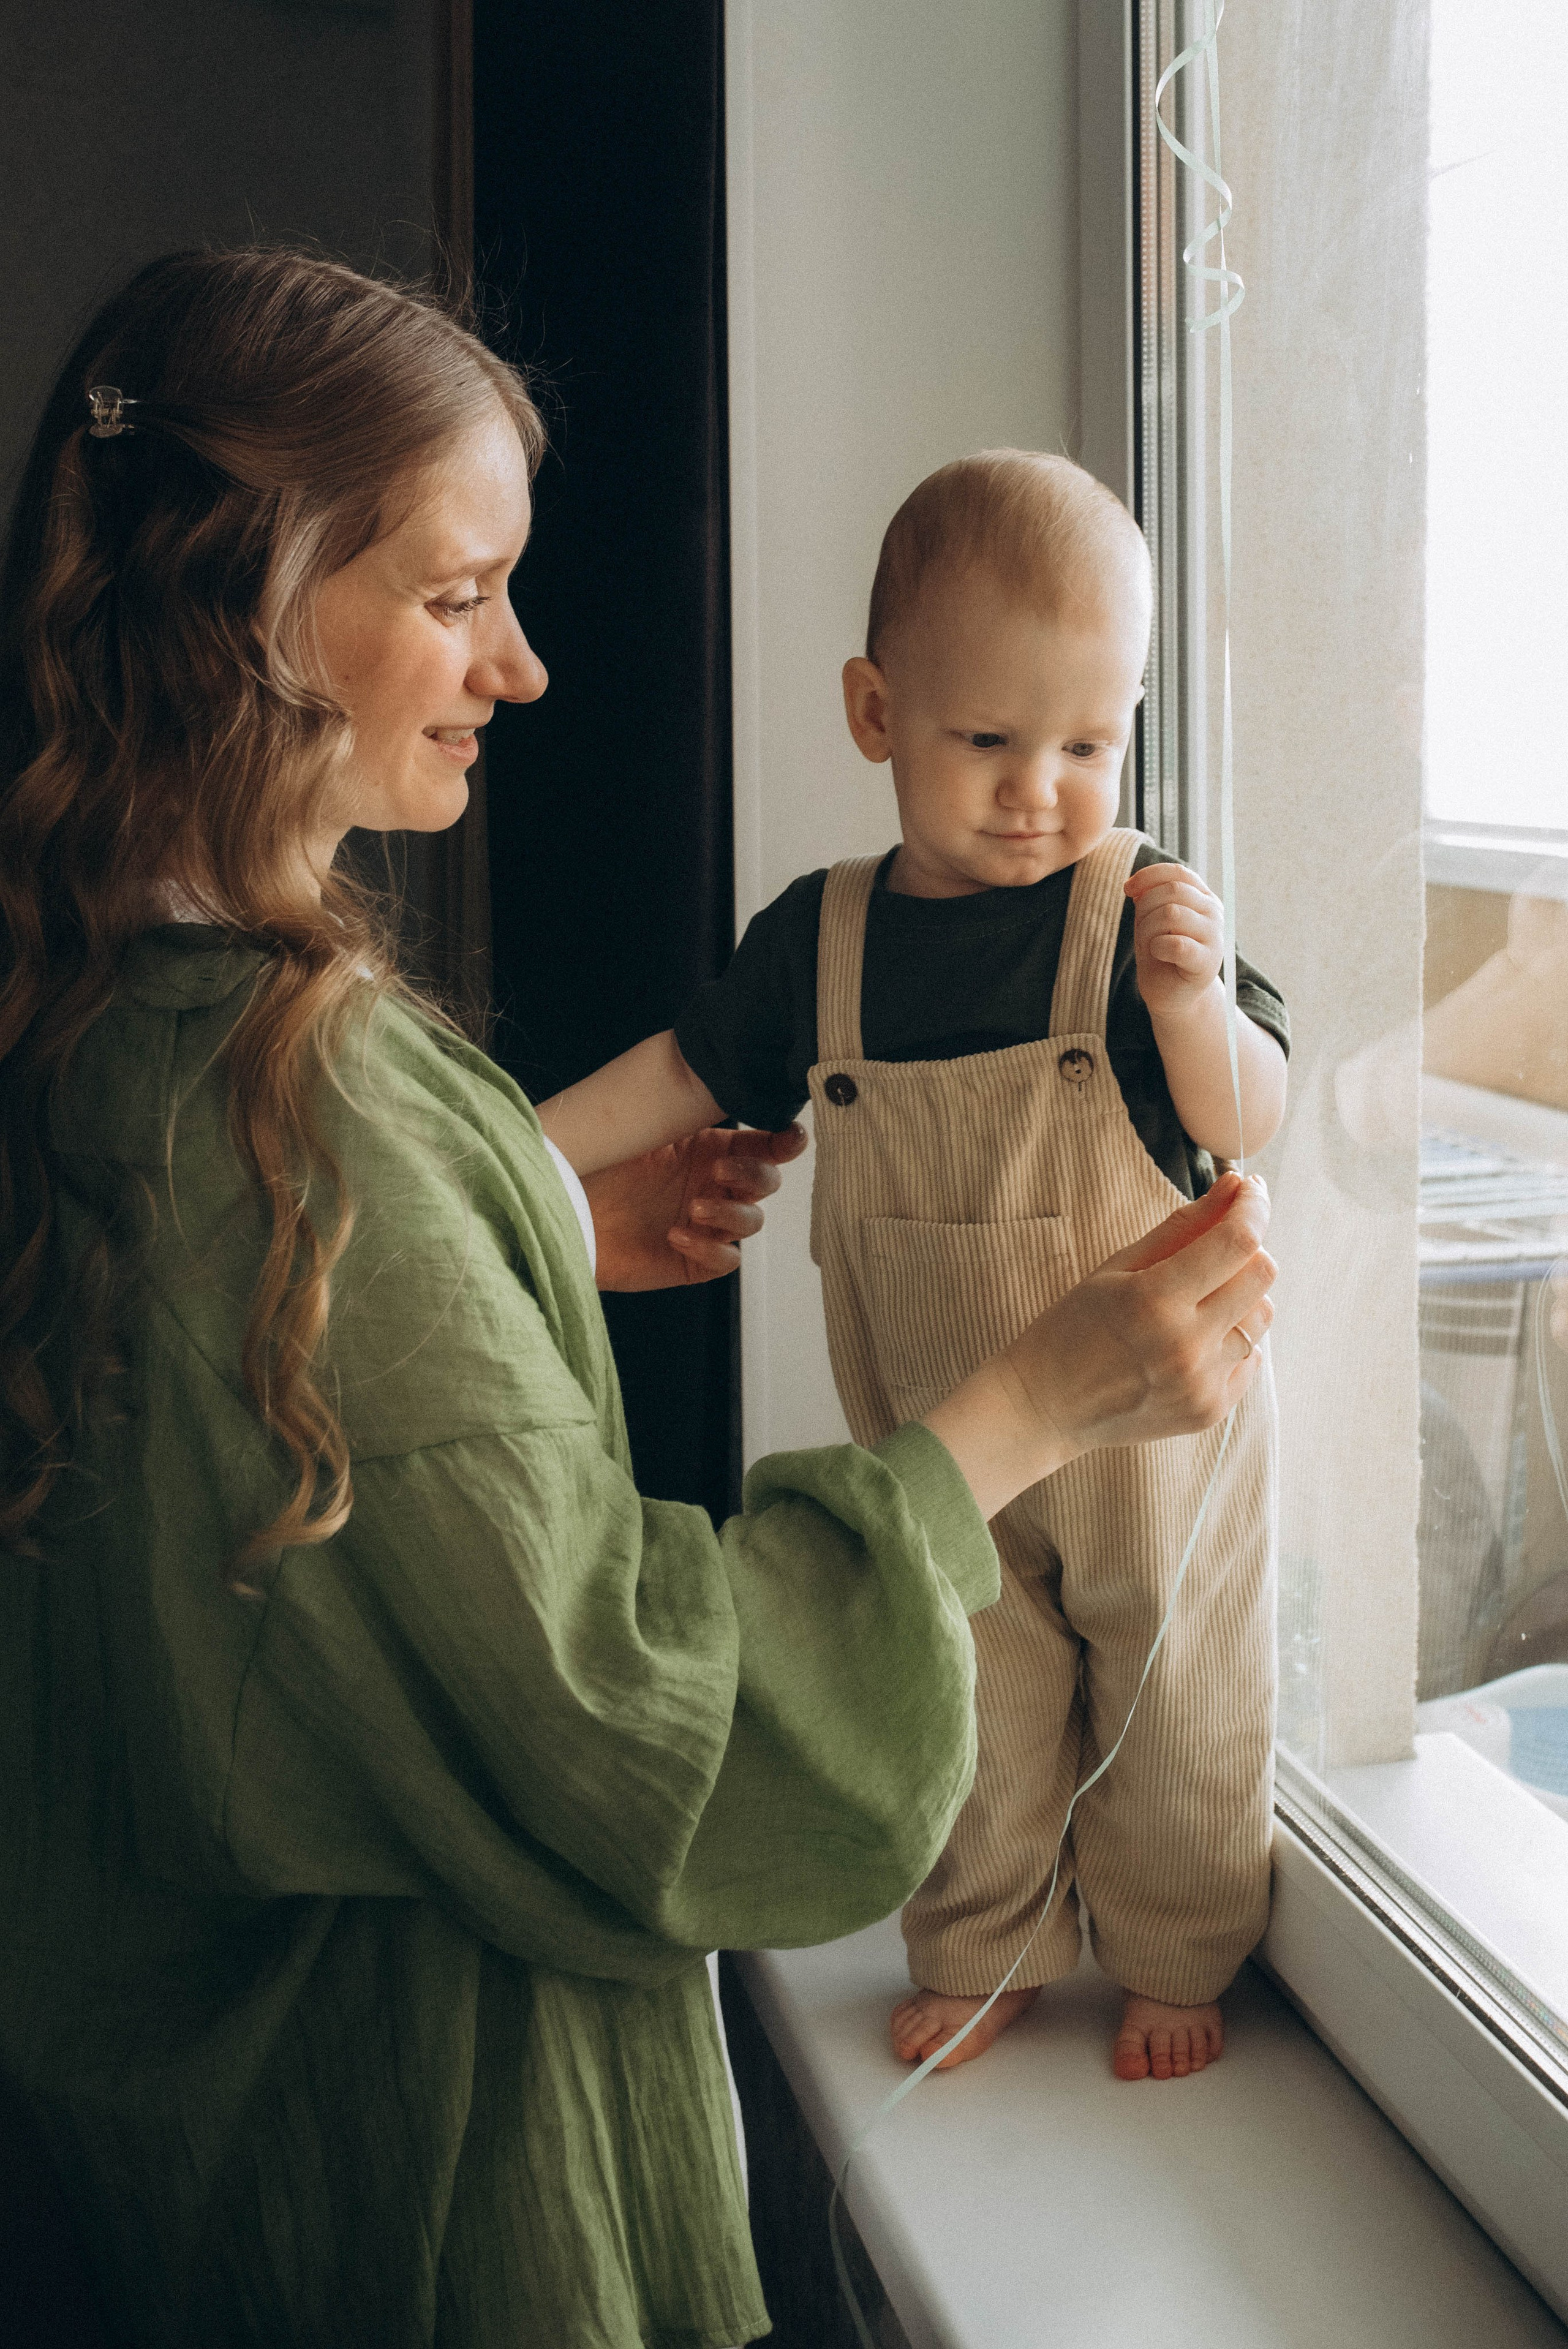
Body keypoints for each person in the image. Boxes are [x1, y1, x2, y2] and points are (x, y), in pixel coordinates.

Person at [0, 255, 1275, 2349]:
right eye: (453, 592)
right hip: (433, 2209)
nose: (522, 663)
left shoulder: (105, 1035)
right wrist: (1035, 1402)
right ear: (248, 600)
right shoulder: (309, 1124)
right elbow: (632, 1721)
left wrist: (515, 1240)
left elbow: (275, 1431)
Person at [540, 452, 1290, 2087]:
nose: (1042, 790)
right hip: (945, 1434)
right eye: (988, 742)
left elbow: (1253, 1120)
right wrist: (527, 1156)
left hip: (1153, 1446)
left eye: (1089, 745)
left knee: (1176, 1673)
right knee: (969, 1678)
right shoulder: (824, 939)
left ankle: (1178, 1944)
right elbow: (682, 1071)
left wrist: (1190, 1012)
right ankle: (993, 1947)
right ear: (878, 713)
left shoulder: (1142, 914)